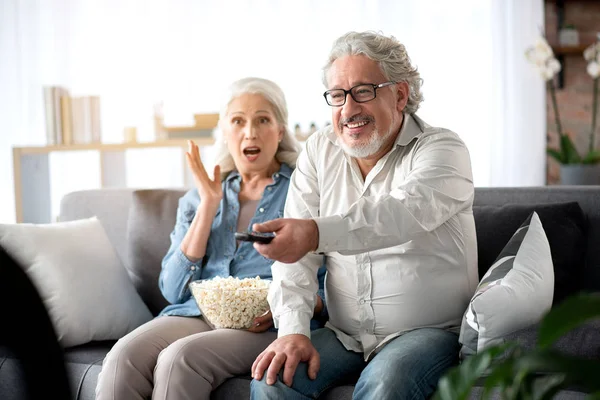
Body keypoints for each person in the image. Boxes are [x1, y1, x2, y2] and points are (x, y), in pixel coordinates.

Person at [250, 31, 478, 400]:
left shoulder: (443, 150)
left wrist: (314, 234)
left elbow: (399, 214)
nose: (349, 109)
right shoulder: (319, 149)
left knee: (387, 381)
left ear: (400, 95)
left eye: (363, 91)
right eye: (337, 95)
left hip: (428, 334)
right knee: (274, 379)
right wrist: (292, 330)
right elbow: (296, 258)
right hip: (345, 335)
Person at [95, 77, 327, 400]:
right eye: (238, 121)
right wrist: (208, 206)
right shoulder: (199, 198)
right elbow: (173, 290)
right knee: (122, 358)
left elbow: (330, 284)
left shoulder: (303, 192)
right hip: (197, 313)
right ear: (225, 132)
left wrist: (294, 305)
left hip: (266, 322)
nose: (251, 132)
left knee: (179, 361)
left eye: (263, 120)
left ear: (280, 130)